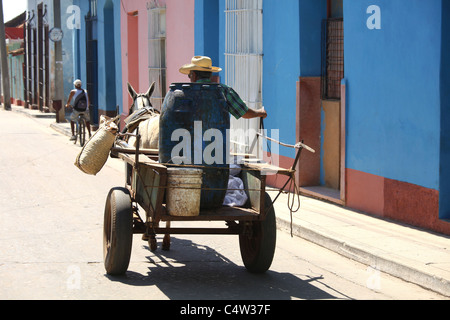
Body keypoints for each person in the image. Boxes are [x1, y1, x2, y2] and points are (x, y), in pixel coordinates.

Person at [179, 56, 267, 120]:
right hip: (217, 141)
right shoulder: (224, 90)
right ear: (210, 74)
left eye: (189, 75)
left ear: (194, 76)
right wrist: (259, 113)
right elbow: (244, 112)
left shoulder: (184, 92)